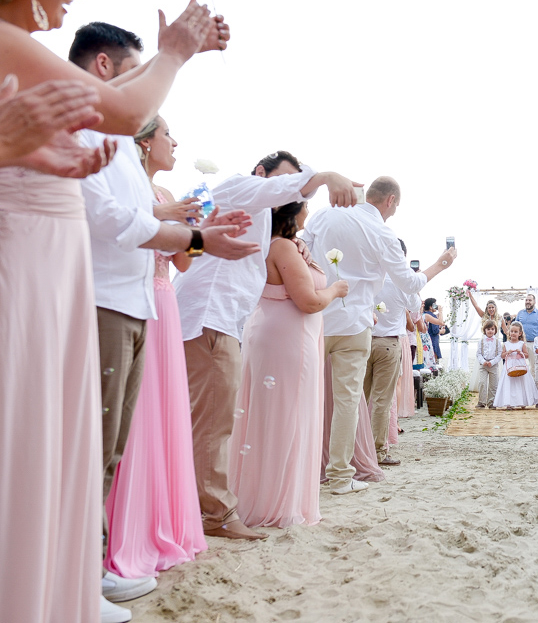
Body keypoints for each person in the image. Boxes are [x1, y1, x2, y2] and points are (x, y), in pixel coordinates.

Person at [0, 0, 232, 619]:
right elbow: (129, 110)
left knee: (64, 446)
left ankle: (62, 576)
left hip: (62, 277)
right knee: (46, 441)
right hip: (35, 273)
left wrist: (41, 156)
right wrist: (176, 51)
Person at [174, 150, 359, 540]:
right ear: (262, 174)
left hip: (218, 320)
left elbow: (188, 255)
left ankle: (206, 509)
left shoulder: (253, 215)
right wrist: (325, 176)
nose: (291, 193)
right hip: (210, 317)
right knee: (212, 423)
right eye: (285, 181)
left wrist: (200, 244)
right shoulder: (240, 187)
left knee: (215, 419)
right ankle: (215, 516)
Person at [103, 116, 208, 581]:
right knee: (133, 414)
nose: (176, 143)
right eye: (168, 135)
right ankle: (122, 529)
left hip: (164, 304)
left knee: (164, 415)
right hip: (128, 300)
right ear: (146, 144)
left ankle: (162, 523)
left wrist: (198, 231)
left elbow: (185, 261)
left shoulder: (168, 196)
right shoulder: (129, 191)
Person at [304, 176, 456, 493]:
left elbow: (303, 248)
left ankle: (304, 468)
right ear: (390, 201)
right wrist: (440, 265)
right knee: (347, 401)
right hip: (355, 324)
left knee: (308, 397)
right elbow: (411, 285)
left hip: (315, 316)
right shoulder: (382, 232)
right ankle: (340, 477)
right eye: (396, 206)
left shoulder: (324, 213)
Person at [229, 200, 345, 528]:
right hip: (287, 339)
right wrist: (335, 289)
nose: (309, 209)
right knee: (287, 416)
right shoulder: (281, 247)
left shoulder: (283, 245)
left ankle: (270, 496)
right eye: (305, 204)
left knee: (274, 417)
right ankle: (279, 505)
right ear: (292, 213)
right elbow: (308, 301)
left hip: (275, 332)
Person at [366, 239, 421, 467]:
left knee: (358, 400)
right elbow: (416, 308)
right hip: (388, 344)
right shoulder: (401, 282)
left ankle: (355, 450)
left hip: (361, 341)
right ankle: (378, 453)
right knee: (381, 402)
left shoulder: (368, 274)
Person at [493, 321, 538, 409]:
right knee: (510, 384)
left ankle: (523, 402)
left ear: (520, 333)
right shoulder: (506, 344)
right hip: (509, 366)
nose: (513, 333)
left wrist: (521, 353)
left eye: (515, 332)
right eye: (512, 331)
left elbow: (527, 355)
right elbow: (502, 355)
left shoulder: (522, 344)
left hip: (520, 365)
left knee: (521, 383)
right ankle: (509, 403)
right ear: (509, 332)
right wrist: (507, 353)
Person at [517, 294, 538, 373]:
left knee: (534, 367)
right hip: (522, 344)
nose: (527, 302)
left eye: (530, 300)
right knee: (521, 366)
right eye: (526, 300)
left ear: (534, 302)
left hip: (534, 344)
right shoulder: (520, 313)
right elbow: (516, 328)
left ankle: (533, 385)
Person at [476, 320, 502, 407]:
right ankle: (481, 402)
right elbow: (478, 353)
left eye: (492, 329)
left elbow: (499, 354)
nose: (490, 331)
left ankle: (491, 402)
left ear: (495, 330)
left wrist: (492, 362)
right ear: (484, 330)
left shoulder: (498, 342)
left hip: (493, 365)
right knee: (482, 383)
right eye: (488, 329)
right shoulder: (481, 341)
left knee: (493, 384)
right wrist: (483, 361)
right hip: (483, 365)